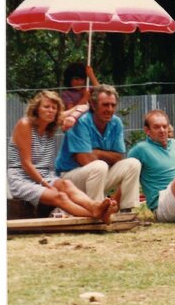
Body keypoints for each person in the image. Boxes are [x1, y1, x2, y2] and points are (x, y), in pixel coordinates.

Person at [8, 90, 118, 222]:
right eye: (46, 107)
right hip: (21, 178)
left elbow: (84, 106)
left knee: (66, 184)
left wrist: (72, 116)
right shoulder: (25, 124)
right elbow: (26, 164)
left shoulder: (50, 124)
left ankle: (95, 206)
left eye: (54, 108)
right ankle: (96, 214)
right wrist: (45, 184)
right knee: (59, 196)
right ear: (36, 109)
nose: (50, 110)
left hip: (45, 175)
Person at [54, 84, 142, 212]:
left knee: (133, 164)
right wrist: (104, 156)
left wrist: (96, 153)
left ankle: (126, 210)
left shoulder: (116, 122)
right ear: (94, 105)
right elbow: (85, 161)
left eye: (113, 105)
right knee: (99, 166)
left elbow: (119, 157)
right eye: (105, 105)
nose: (110, 109)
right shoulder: (81, 122)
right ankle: (96, 210)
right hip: (70, 179)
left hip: (97, 176)